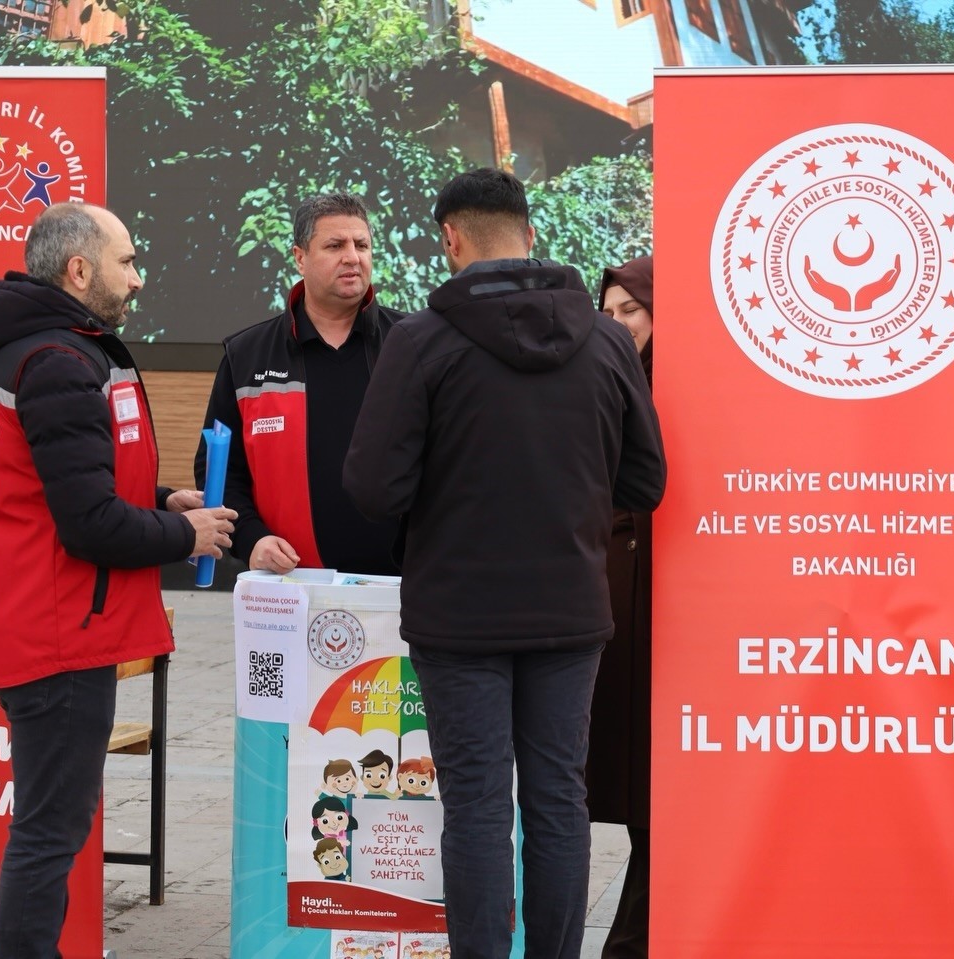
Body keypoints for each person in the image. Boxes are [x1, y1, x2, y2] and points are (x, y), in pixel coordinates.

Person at [343, 168, 666, 959]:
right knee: (558, 800)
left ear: (451, 239)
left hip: (459, 616)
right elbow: (645, 481)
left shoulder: (421, 341)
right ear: (530, 233)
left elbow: (376, 488)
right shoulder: (606, 340)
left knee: (479, 806)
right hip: (571, 609)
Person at [0, 202, 236, 959]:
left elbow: (70, 483)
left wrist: (161, 500)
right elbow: (88, 523)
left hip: (41, 622)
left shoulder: (44, 349)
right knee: (50, 831)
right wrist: (186, 536)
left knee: (50, 824)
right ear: (79, 270)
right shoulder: (57, 361)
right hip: (57, 635)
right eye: (127, 261)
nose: (138, 278)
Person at [195, 193, 404, 575]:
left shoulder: (413, 345)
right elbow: (219, 472)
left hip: (403, 586)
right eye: (335, 246)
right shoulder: (247, 355)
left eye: (361, 245)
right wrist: (251, 539)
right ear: (300, 257)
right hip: (288, 584)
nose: (352, 257)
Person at [585, 254, 655, 959]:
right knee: (631, 784)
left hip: (666, 609)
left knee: (660, 790)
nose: (616, 324)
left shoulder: (684, 386)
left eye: (630, 310)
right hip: (609, 604)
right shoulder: (598, 379)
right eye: (606, 313)